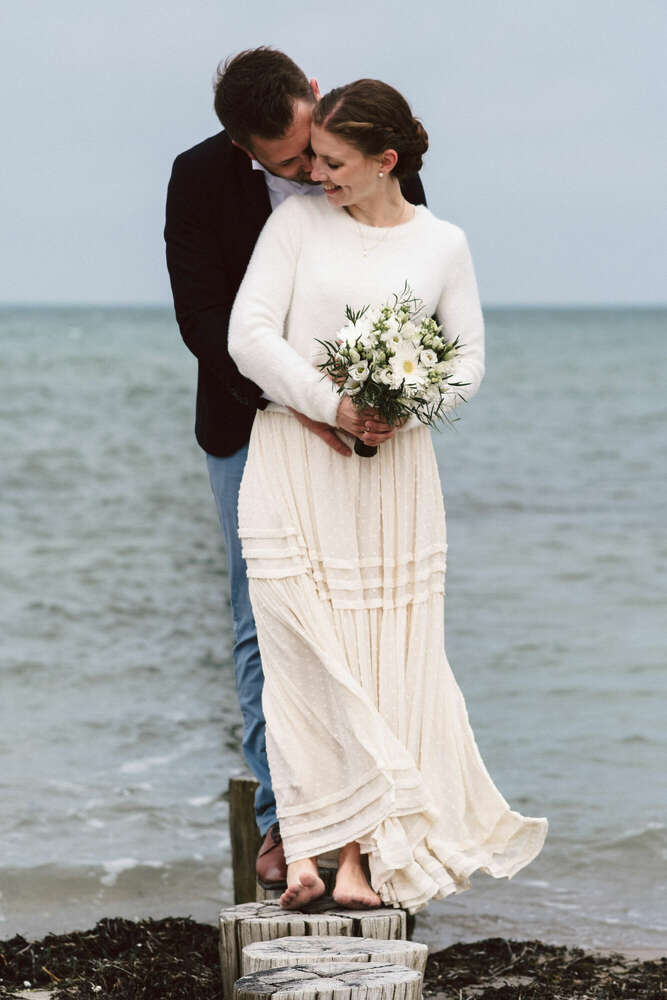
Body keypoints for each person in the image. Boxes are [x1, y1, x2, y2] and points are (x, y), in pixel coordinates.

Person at [228, 78, 548, 912]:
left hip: (391, 478)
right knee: (301, 650)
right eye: (314, 162)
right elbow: (247, 333)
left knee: (379, 660)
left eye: (333, 164)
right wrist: (331, 402)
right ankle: (302, 850)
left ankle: (361, 863)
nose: (316, 177)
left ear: (385, 162)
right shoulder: (294, 223)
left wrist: (405, 411)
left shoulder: (442, 244)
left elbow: (469, 359)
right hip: (293, 458)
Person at [164, 49, 426, 890]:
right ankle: (287, 825)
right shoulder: (198, 179)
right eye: (287, 164)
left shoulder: (367, 138)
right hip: (249, 425)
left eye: (314, 146)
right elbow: (203, 319)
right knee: (261, 621)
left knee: (365, 615)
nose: (312, 170)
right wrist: (302, 402)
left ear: (314, 94)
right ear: (245, 152)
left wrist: (374, 400)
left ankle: (371, 823)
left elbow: (408, 279)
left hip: (362, 427)